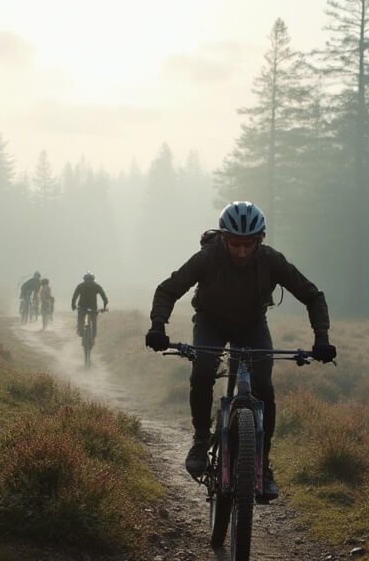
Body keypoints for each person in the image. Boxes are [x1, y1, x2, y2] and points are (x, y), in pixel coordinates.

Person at [144, 200, 336, 498]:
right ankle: (200, 437)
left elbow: (312, 295)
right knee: (204, 370)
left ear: (260, 240)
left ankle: (263, 465)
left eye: (249, 244)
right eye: (235, 244)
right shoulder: (208, 258)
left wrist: (321, 338)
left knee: (264, 387)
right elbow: (168, 289)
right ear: (223, 238)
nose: (242, 251)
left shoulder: (272, 260)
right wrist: (158, 326)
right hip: (211, 322)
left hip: (251, 325)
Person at [72, 272, 108, 338]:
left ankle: (81, 330)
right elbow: (104, 296)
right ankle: (93, 335)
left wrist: (73, 305)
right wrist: (105, 305)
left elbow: (75, 296)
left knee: (80, 319)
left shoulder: (80, 286)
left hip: (82, 307)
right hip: (93, 307)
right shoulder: (96, 286)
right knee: (93, 321)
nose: (88, 282)